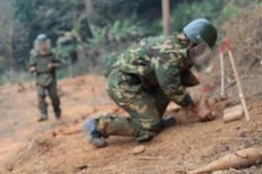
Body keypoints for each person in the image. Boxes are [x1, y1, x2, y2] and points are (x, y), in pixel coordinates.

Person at [82, 18, 217, 147]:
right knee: (149, 126)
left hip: (140, 82)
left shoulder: (178, 48)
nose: (202, 53)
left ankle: (154, 117)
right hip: (122, 84)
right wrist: (196, 108)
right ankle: (97, 125)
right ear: (193, 42)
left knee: (169, 88)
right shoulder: (170, 53)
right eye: (202, 48)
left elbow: (175, 79)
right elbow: (171, 87)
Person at [29, 34, 63, 122]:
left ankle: (57, 111)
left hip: (51, 77)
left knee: (54, 96)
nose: (42, 45)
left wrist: (53, 65)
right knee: (40, 96)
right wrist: (33, 69)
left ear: (47, 43)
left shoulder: (52, 54)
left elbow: (60, 64)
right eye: (40, 43)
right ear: (37, 44)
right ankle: (43, 114)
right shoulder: (34, 55)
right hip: (40, 78)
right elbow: (31, 66)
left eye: (44, 43)